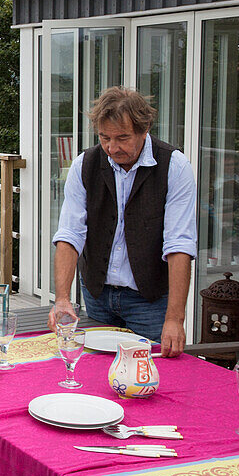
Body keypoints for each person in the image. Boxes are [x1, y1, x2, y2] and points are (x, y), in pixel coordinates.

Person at [48, 87, 197, 357]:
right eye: (104, 137)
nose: (112, 147)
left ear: (145, 129)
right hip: (96, 294)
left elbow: (179, 245)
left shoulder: (175, 166)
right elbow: (70, 235)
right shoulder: (85, 164)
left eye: (122, 138)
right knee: (96, 375)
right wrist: (62, 298)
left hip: (150, 302)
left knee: (145, 381)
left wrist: (175, 319)